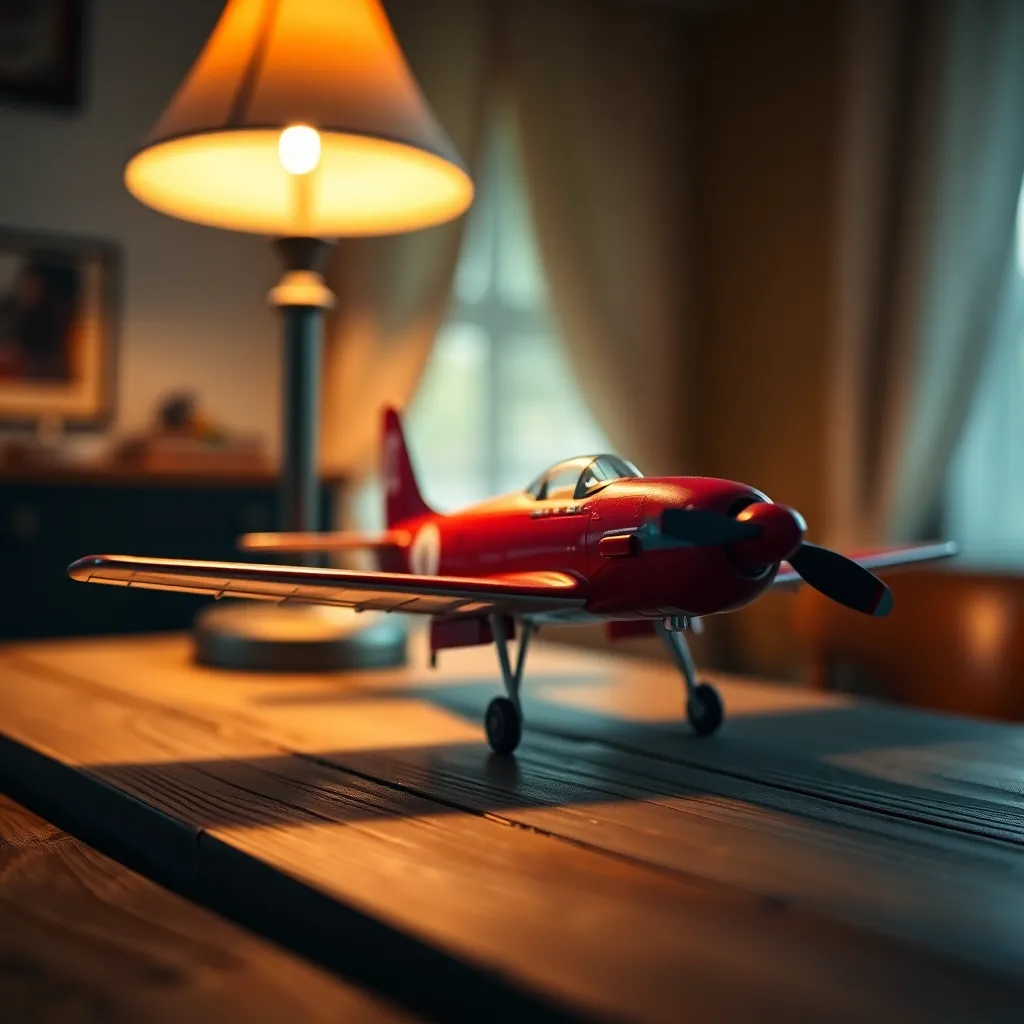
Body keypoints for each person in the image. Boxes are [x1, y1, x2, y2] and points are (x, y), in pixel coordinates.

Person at [0, 255, 79, 380]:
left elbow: (61, 369)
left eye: (34, 282)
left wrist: (20, 361)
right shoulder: (9, 309)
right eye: (26, 279)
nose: (25, 287)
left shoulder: (57, 320)